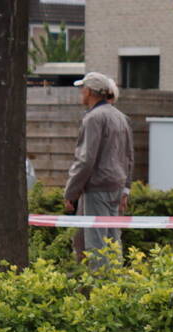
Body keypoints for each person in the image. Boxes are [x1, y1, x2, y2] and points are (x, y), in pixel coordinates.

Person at [64, 72, 133, 266]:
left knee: (95, 243)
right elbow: (129, 156)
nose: (81, 93)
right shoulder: (120, 117)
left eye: (82, 89)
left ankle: (99, 289)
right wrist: (126, 189)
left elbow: (86, 159)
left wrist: (71, 192)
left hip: (98, 188)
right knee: (113, 240)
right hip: (117, 187)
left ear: (90, 91)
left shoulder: (93, 118)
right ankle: (117, 285)